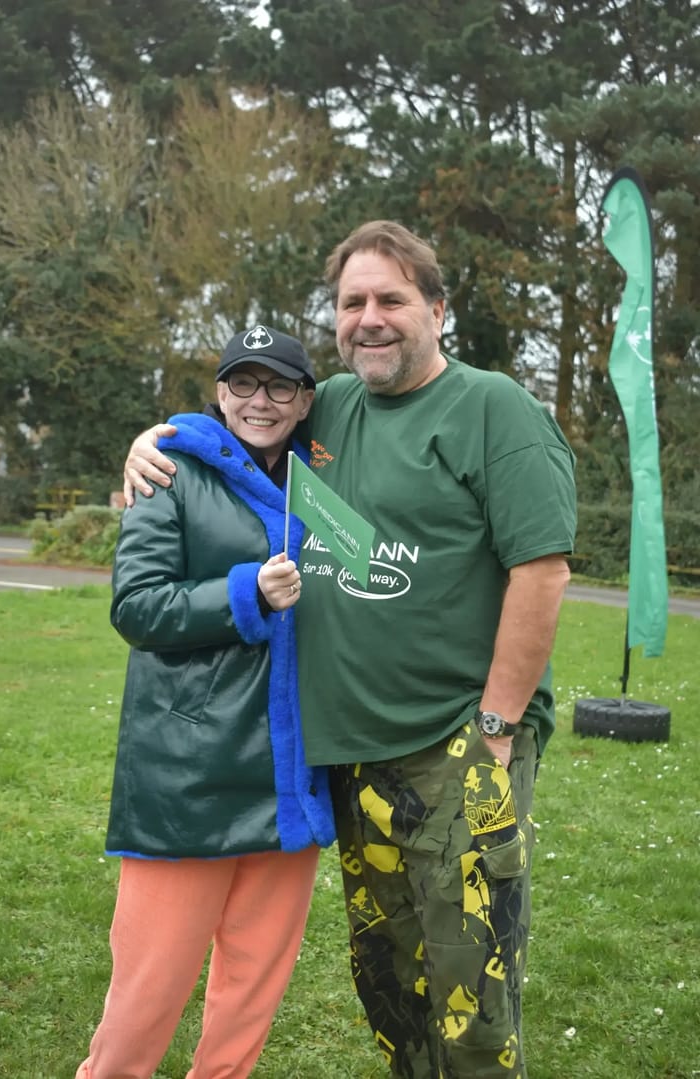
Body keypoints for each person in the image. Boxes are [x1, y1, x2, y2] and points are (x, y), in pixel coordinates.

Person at [124, 221, 577, 1079]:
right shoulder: (328, 406)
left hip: (457, 746)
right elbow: (239, 420)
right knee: (392, 988)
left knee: (471, 999)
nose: (369, 318)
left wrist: (496, 727)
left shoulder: (493, 408)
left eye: (391, 299)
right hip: (352, 763)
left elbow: (543, 571)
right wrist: (156, 438)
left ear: (437, 310)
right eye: (351, 301)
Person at [77, 326, 336, 1079]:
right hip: (191, 776)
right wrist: (245, 592)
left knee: (251, 995)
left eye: (280, 385)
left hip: (290, 774)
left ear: (305, 400)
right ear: (220, 392)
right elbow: (137, 606)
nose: (260, 400)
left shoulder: (325, 478)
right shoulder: (170, 469)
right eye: (243, 382)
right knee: (147, 992)